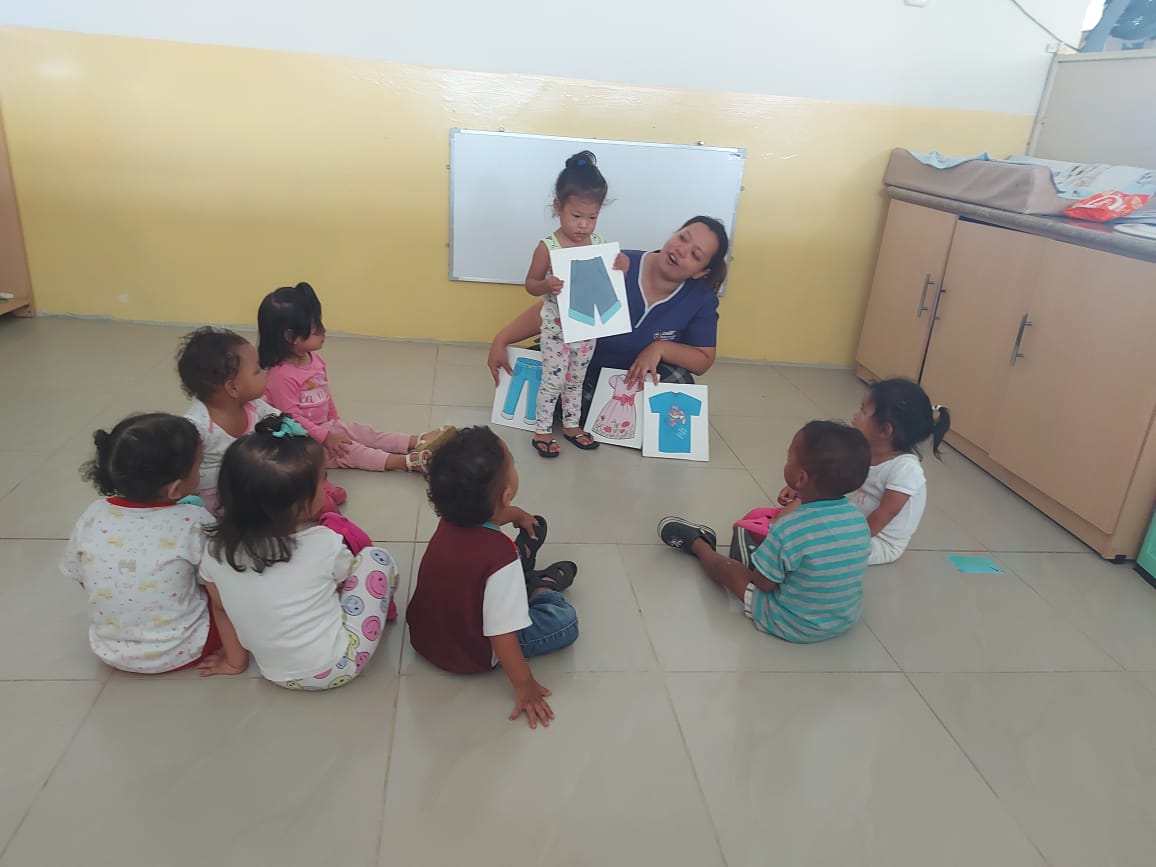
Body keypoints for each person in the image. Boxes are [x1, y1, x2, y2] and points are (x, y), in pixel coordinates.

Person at [197, 414, 400, 688]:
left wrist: (234, 662)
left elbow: (221, 608)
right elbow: (346, 577)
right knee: (375, 560)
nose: (326, 487)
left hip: (273, 672)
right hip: (335, 667)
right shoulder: (324, 542)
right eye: (322, 481)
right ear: (299, 506)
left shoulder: (214, 550)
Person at [407, 426, 579, 728]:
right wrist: (524, 684)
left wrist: (517, 515)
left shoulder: (450, 519)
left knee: (498, 578)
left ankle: (520, 577)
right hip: (472, 652)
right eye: (512, 463)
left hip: (425, 638)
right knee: (565, 622)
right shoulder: (500, 556)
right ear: (507, 493)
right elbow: (502, 636)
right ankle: (541, 588)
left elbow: (492, 516)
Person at [489, 216, 729, 424]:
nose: (681, 250)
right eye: (682, 238)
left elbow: (702, 360)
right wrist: (502, 339)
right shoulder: (618, 263)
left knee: (679, 382)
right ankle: (600, 415)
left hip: (633, 377)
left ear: (702, 272)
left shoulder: (701, 299)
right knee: (550, 378)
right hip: (583, 365)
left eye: (695, 255)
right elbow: (557, 310)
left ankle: (604, 415)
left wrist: (660, 348)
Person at [59, 413, 245, 674]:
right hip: (183, 649)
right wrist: (235, 661)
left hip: (109, 650)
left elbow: (81, 576)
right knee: (226, 585)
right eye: (199, 465)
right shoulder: (194, 520)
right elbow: (221, 598)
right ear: (175, 489)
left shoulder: (93, 514)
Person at [657, 420, 872, 644]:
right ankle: (758, 554)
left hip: (790, 621)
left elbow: (762, 584)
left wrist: (763, 566)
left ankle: (700, 544)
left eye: (789, 457)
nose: (786, 460)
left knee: (728, 569)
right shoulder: (857, 519)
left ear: (801, 478)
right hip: (843, 619)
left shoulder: (789, 528)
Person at [258, 281, 455, 474]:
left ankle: (415, 440)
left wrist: (335, 422)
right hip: (300, 442)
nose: (324, 331)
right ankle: (405, 462)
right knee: (351, 451)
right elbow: (291, 419)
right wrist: (326, 437)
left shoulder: (314, 359)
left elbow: (325, 393)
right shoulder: (280, 376)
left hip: (324, 429)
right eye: (316, 328)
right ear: (290, 336)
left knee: (362, 432)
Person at [523, 150, 629, 458]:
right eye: (577, 216)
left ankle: (571, 425)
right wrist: (546, 285)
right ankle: (542, 430)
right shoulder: (548, 247)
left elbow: (608, 282)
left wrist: (622, 266)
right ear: (558, 207)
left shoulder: (598, 244)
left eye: (592, 217)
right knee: (553, 379)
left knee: (576, 380)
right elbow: (530, 284)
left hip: (586, 329)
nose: (584, 225)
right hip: (557, 330)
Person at [177, 326, 348, 514]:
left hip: (256, 478)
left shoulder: (254, 406)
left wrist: (299, 440)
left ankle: (312, 488)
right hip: (222, 496)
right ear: (233, 388)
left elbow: (284, 420)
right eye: (257, 370)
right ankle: (308, 500)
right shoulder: (196, 427)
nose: (266, 372)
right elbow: (178, 470)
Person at [842, 378, 951, 565]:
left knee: (823, 550)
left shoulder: (906, 470)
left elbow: (886, 513)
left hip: (879, 540)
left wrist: (851, 541)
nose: (855, 416)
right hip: (855, 520)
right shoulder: (867, 450)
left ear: (885, 430)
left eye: (863, 411)